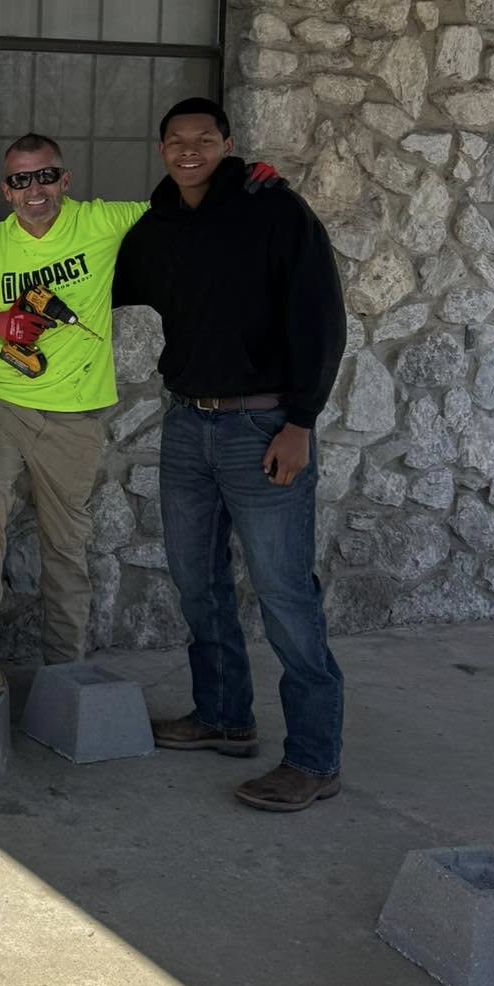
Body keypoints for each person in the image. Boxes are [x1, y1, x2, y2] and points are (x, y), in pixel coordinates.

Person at [113, 97, 347, 812]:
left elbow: (320, 317)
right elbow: (107, 284)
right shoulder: (159, 224)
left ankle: (313, 759)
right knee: (196, 582)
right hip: (188, 425)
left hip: (262, 426)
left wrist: (300, 422)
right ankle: (222, 717)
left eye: (204, 140)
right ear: (161, 150)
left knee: (284, 595)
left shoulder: (273, 210)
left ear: (228, 144)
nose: (190, 152)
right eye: (177, 142)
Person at [0, 135, 150, 693]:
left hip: (77, 415)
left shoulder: (102, 222)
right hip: (4, 401)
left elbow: (179, 207)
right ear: (5, 190)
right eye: (20, 180)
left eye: (45, 176)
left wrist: (240, 182)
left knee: (66, 540)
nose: (35, 190)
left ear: (65, 179)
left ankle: (64, 667)